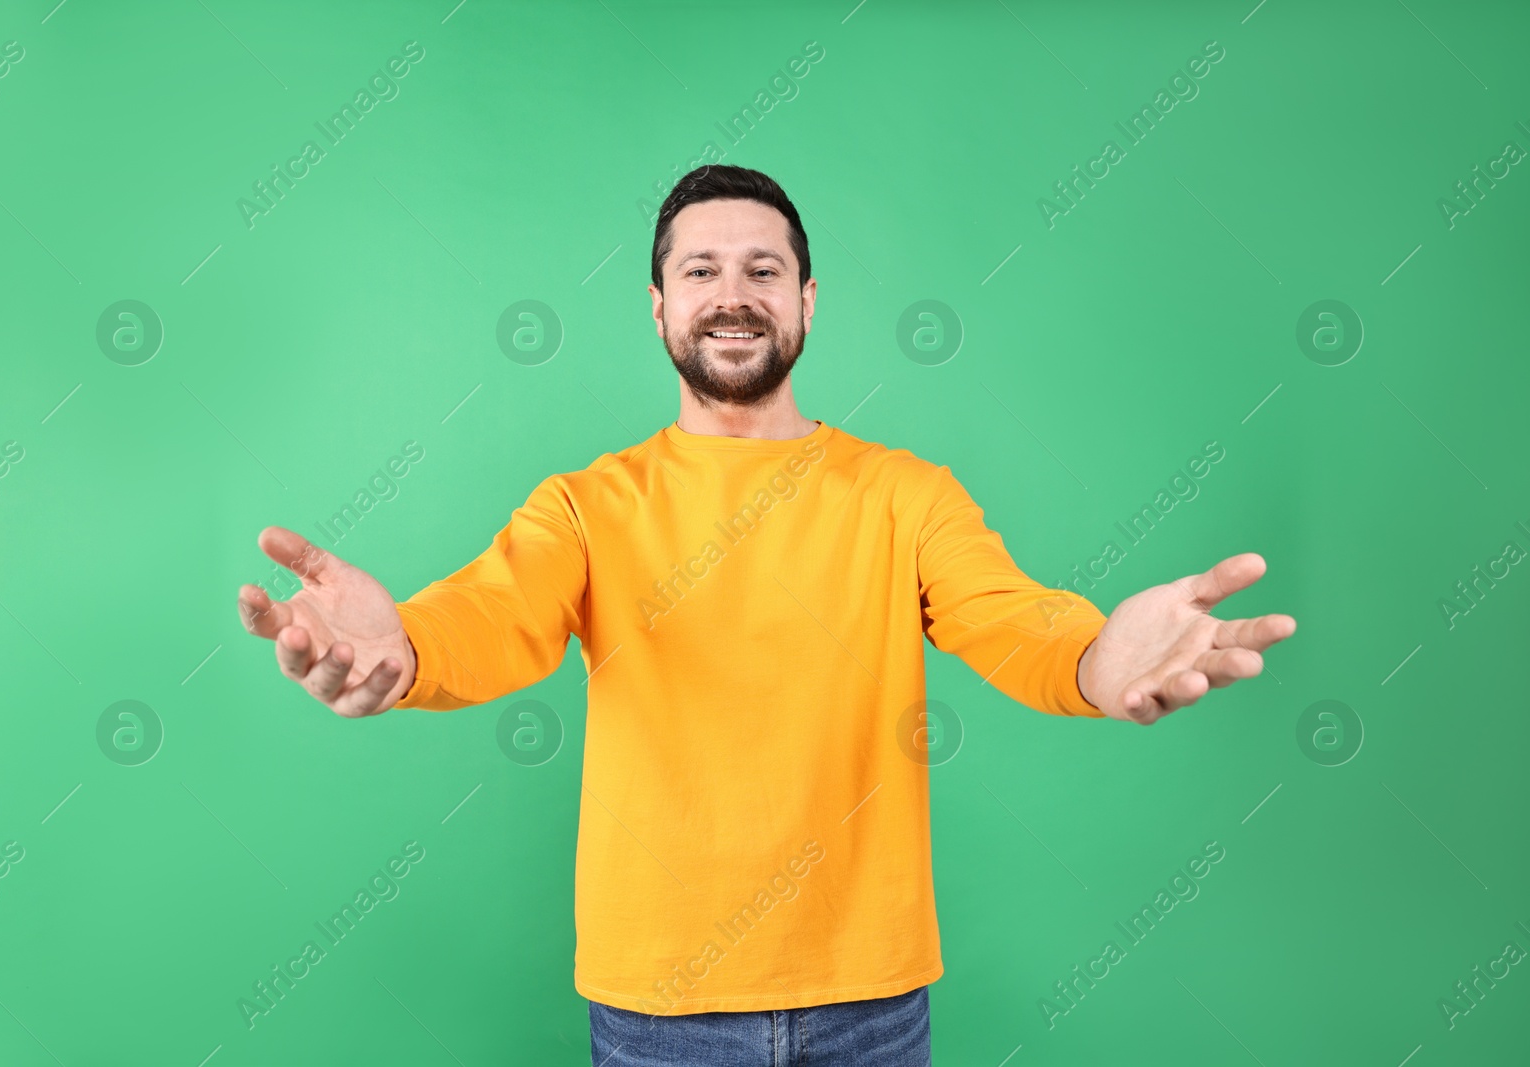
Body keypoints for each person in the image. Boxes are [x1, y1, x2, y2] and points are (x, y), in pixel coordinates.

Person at [236, 164, 1295, 1066]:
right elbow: (492, 613)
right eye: (699, 270)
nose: (730, 294)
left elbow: (1012, 618)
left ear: (807, 299)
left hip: (870, 1003)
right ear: (656, 304)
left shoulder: (904, 494)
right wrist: (405, 648)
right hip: (659, 1006)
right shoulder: (586, 504)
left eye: (761, 270)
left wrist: (1100, 660)